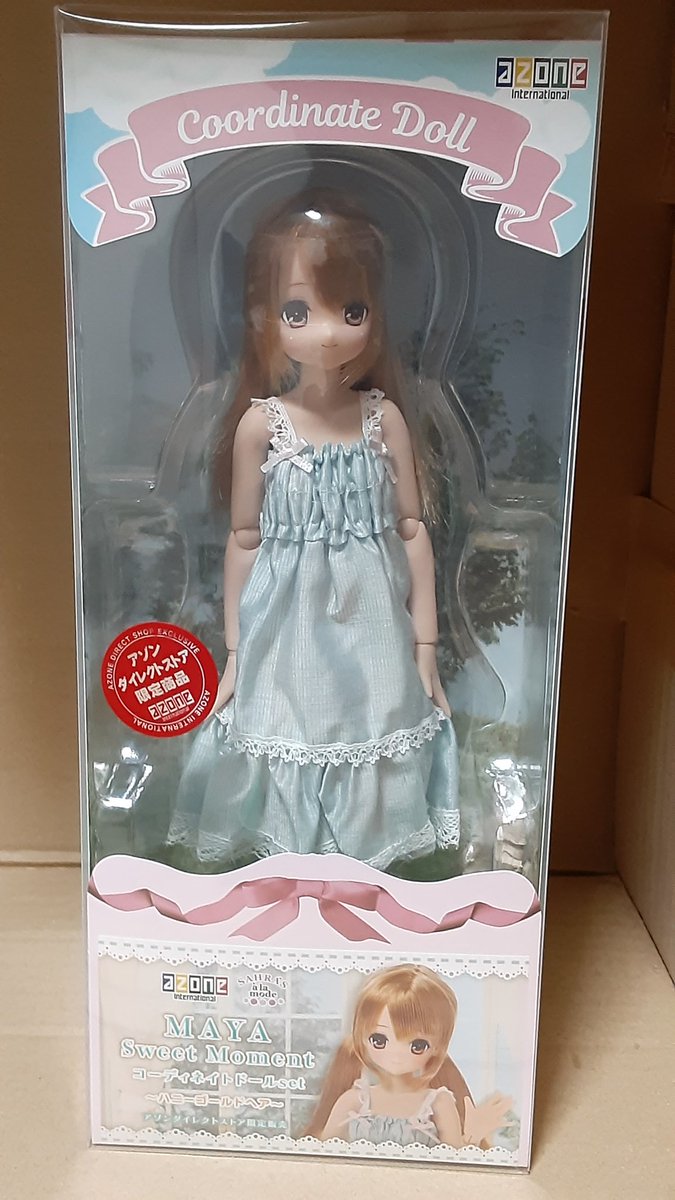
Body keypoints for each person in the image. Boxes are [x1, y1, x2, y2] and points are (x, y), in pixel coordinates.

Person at [168, 190, 460, 870]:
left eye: (351, 311)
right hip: (284, 629)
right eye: (298, 312)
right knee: (281, 724)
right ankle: (287, 863)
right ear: (262, 318)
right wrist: (235, 653)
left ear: (374, 315)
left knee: (378, 721)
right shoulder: (261, 425)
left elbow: (411, 528)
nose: (327, 332)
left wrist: (425, 642)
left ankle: (365, 862)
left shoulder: (382, 418)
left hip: (374, 625)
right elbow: (245, 539)